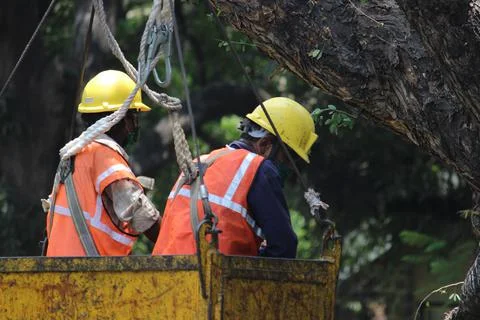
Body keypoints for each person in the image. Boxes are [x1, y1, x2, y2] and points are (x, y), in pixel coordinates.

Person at [153, 97, 318, 258]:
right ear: (265, 145)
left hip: (160, 275)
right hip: (214, 278)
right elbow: (284, 248)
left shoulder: (199, 162)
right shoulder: (259, 168)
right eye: (288, 159)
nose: (289, 167)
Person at [43, 70, 160, 256]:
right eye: (133, 118)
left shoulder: (75, 155)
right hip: (92, 273)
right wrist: (171, 241)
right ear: (123, 120)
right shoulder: (104, 156)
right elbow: (140, 213)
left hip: (59, 269)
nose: (134, 127)